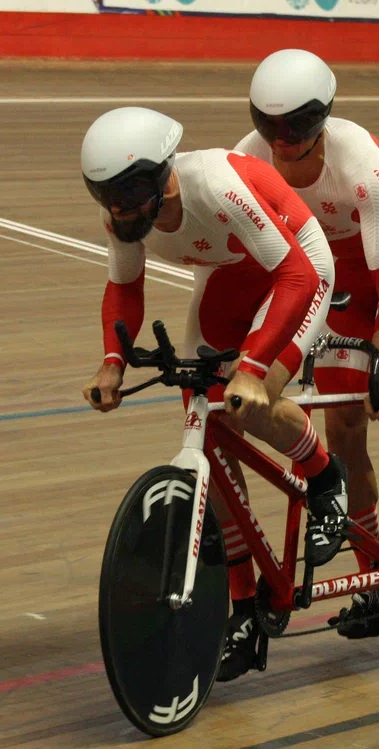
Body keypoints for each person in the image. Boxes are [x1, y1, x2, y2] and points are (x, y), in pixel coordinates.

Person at [79, 106, 346, 681]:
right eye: (105, 196)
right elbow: (124, 287)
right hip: (230, 273)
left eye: (125, 195)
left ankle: (325, 476)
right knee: (206, 412)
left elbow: (297, 276)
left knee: (252, 398)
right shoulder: (124, 215)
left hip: (299, 267)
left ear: (161, 178)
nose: (117, 210)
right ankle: (245, 605)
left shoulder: (218, 186)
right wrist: (111, 365)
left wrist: (252, 368)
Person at [235, 49, 379, 639]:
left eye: (298, 127)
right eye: (272, 126)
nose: (284, 141)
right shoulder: (247, 160)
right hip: (338, 278)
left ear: (324, 119)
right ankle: (371, 581)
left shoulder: (358, 157)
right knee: (343, 429)